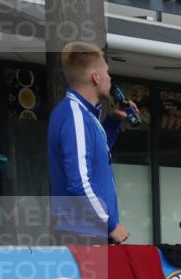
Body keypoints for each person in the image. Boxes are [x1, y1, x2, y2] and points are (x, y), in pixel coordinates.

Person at [48, 41, 137, 244]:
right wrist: (110, 224)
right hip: (84, 234)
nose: (109, 78)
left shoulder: (82, 115)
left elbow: (96, 158)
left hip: (87, 231)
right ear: (95, 77)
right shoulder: (75, 116)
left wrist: (114, 122)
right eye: (107, 72)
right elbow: (79, 182)